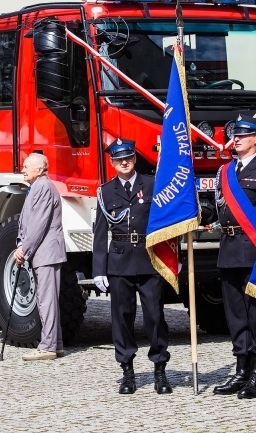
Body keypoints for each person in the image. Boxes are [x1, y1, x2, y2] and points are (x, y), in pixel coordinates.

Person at [93, 138, 172, 395]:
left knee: (155, 317)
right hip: (119, 262)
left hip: (149, 260)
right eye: (118, 159)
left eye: (128, 157)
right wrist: (99, 270)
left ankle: (160, 370)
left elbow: (167, 223)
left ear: (135, 159)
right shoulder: (106, 191)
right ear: (112, 162)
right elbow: (100, 233)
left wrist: (174, 257)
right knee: (122, 319)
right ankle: (127, 371)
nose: (124, 162)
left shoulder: (152, 184)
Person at [213, 115, 256, 399]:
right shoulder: (225, 171)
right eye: (235, 135)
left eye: (244, 135)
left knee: (255, 315)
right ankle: (241, 369)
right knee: (235, 316)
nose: (237, 139)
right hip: (229, 250)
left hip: (255, 254)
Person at [14, 153, 67, 361]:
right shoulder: (37, 187)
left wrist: (23, 249)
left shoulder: (43, 187)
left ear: (39, 169)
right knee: (47, 299)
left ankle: (48, 346)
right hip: (44, 253)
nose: (23, 170)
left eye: (26, 166)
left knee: (46, 300)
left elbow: (38, 223)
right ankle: (56, 344)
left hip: (47, 253)